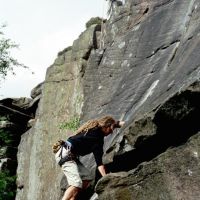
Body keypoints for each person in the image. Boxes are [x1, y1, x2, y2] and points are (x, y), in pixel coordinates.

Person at [53, 115, 125, 200]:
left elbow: (121, 123)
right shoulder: (97, 138)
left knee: (86, 178)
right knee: (76, 183)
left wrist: (116, 124)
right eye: (111, 129)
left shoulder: (94, 128)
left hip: (69, 155)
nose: (110, 132)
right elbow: (99, 164)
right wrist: (106, 178)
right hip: (65, 154)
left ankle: (72, 197)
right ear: (106, 126)